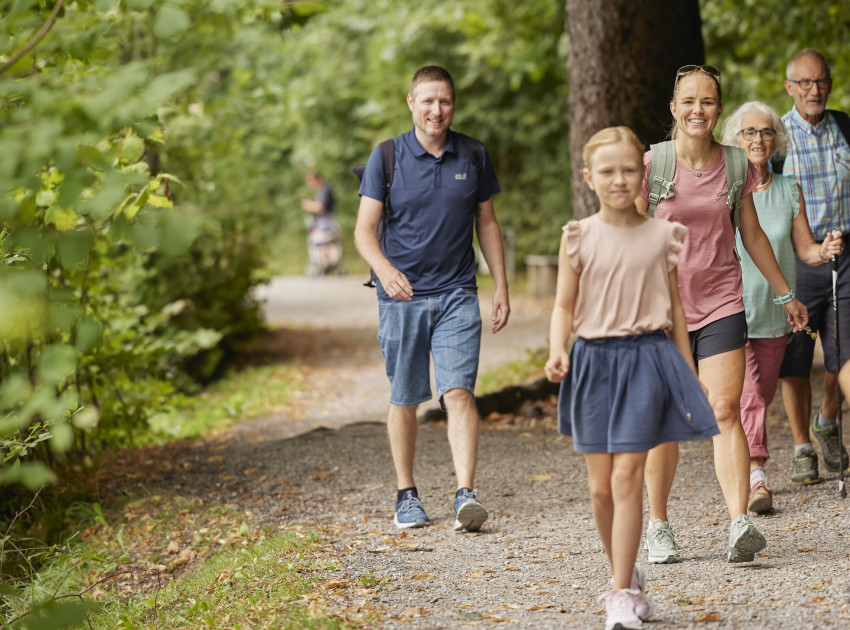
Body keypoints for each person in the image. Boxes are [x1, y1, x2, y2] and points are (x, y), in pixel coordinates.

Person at [546, 126, 718, 630]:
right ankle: (626, 570)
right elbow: (562, 305)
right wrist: (558, 349)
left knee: (627, 479)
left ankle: (620, 595)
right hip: (593, 364)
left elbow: (679, 312)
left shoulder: (664, 235)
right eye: (607, 171)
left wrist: (687, 370)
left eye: (627, 170)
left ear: (641, 173)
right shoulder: (577, 237)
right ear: (588, 178)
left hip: (647, 359)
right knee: (601, 489)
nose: (619, 180)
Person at [635, 65, 808, 564]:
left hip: (721, 302)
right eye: (688, 101)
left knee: (725, 409)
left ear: (719, 108)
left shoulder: (736, 165)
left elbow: (750, 234)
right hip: (664, 309)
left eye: (708, 101)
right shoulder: (653, 164)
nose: (698, 110)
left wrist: (784, 294)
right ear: (674, 108)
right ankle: (659, 525)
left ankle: (738, 523)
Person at [353, 65, 510, 532]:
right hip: (401, 298)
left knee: (459, 392)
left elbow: (487, 224)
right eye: (427, 101)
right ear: (411, 103)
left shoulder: (474, 155)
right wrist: (386, 273)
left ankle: (466, 493)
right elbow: (363, 232)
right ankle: (407, 494)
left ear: (453, 104)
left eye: (444, 101)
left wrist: (500, 284)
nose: (436, 110)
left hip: (458, 293)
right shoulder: (387, 157)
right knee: (405, 397)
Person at [720, 102, 844, 511]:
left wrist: (824, 250)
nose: (758, 139)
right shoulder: (725, 186)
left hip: (776, 312)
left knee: (764, 390)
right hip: (731, 308)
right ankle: (756, 476)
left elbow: (805, 249)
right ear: (735, 139)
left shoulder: (790, 188)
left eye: (767, 132)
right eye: (749, 132)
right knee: (750, 394)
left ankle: (748, 463)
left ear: (777, 140)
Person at [776, 49, 850, 484]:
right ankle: (803, 445)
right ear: (790, 88)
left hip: (845, 256)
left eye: (820, 81)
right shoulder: (776, 138)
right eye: (804, 83)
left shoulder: (845, 127)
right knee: (797, 357)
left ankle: (828, 419)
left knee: (844, 350)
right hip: (797, 259)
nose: (814, 90)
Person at [301, 171, 342, 275]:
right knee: (324, 243)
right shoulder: (322, 189)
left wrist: (308, 205)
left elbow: (320, 207)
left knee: (323, 242)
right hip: (324, 221)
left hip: (325, 221)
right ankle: (326, 265)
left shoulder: (324, 189)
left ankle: (325, 266)